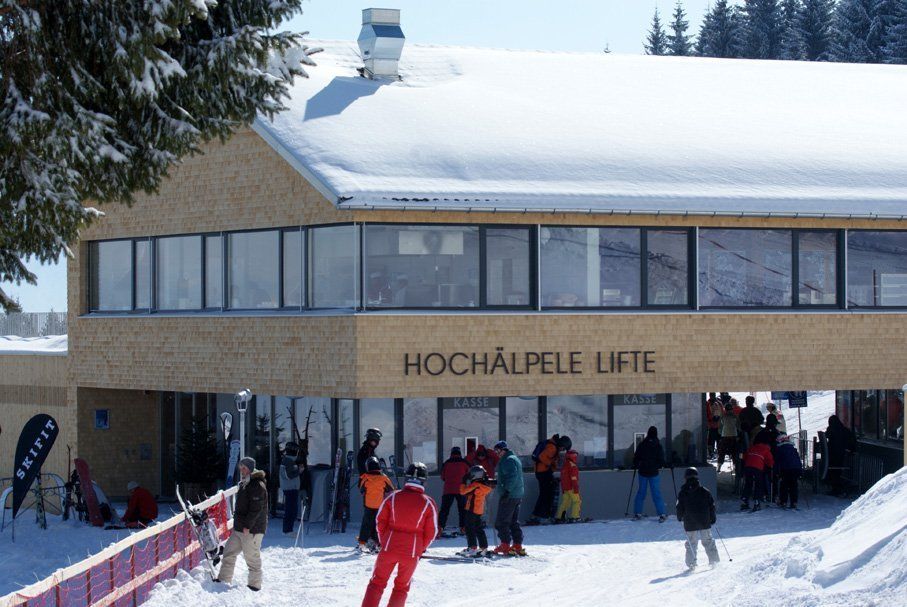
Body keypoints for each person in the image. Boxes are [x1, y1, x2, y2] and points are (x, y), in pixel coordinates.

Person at [361, 462, 437, 607]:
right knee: (401, 588)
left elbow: (380, 521)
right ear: (424, 480)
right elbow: (431, 532)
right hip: (411, 552)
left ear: (406, 477)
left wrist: (384, 541)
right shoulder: (428, 503)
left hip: (389, 547)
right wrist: (420, 549)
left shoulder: (393, 497)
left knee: (377, 583)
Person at [217, 457, 268, 591]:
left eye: (244, 468)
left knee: (252, 558)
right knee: (229, 552)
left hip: (252, 529)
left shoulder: (257, 485)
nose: (241, 470)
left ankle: (254, 585)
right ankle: (223, 580)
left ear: (250, 469)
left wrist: (248, 526)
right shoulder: (244, 483)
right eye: (240, 468)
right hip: (239, 528)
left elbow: (256, 509)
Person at [675, 467, 719, 570]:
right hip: (704, 521)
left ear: (685, 478)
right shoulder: (705, 491)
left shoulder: (683, 493)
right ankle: (714, 561)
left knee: (691, 543)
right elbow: (711, 506)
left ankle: (691, 564)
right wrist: (712, 518)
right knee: (708, 541)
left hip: (690, 522)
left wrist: (680, 516)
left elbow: (679, 507)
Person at [492, 440, 526, 556]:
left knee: (502, 521)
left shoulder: (507, 460)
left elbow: (512, 476)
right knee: (513, 521)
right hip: (517, 494)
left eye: (498, 451)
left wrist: (506, 490)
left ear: (504, 450)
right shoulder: (513, 458)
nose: (497, 453)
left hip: (510, 495)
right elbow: (511, 476)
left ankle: (505, 544)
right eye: (495, 451)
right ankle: (517, 544)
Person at [529, 434, 571, 524]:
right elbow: (542, 457)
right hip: (543, 472)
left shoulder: (553, 446)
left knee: (544, 494)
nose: (562, 450)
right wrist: (551, 464)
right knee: (546, 495)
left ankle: (536, 515)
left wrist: (553, 465)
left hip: (542, 472)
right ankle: (543, 516)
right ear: (561, 444)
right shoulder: (552, 448)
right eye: (563, 448)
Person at [358, 456, 394, 553]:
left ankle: (362, 542)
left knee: (366, 524)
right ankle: (378, 543)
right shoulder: (384, 478)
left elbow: (361, 489)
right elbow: (391, 489)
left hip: (368, 505)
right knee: (379, 524)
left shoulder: (365, 478)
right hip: (380, 506)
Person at [457, 465, 494, 557]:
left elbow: (462, 491)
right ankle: (483, 548)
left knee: (469, 528)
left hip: (472, 509)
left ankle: (472, 547)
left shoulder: (475, 485)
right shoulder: (483, 485)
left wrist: (463, 482)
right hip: (478, 510)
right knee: (478, 528)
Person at [632, 426, 667, 522]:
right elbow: (661, 460)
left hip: (642, 472)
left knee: (641, 493)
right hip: (654, 472)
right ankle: (662, 514)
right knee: (656, 493)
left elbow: (636, 457)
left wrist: (637, 464)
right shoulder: (658, 445)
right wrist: (660, 465)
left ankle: (637, 513)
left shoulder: (642, 444)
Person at [437, 446, 470, 535]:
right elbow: (469, 474)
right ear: (460, 453)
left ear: (451, 453)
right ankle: (463, 527)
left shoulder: (446, 463)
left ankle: (440, 528)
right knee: (462, 510)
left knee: (444, 510)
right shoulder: (464, 463)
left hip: (448, 489)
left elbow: (442, 477)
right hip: (461, 489)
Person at [740, 436, 774, 511]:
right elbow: (770, 461)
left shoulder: (752, 447)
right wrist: (770, 466)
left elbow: (744, 456)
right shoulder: (766, 449)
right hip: (757, 468)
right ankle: (756, 502)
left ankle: (745, 499)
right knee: (758, 484)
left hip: (748, 467)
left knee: (748, 483)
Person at [825, 415, 856, 496]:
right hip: (841, 454)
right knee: (837, 471)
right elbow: (851, 439)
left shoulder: (831, 429)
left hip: (832, 454)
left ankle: (835, 488)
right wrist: (852, 450)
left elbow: (826, 435)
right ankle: (837, 488)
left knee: (832, 471)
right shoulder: (844, 429)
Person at [279, 442, 302, 535]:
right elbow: (288, 476)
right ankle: (287, 530)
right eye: (297, 451)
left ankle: (289, 529)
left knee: (292, 509)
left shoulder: (289, 460)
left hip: (291, 488)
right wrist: (299, 471)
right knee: (290, 510)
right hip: (290, 488)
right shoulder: (288, 461)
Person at [774, 435, 802, 509]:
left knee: (784, 486)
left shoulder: (780, 449)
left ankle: (783, 502)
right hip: (795, 469)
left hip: (786, 469)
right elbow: (798, 460)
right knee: (794, 486)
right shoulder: (793, 449)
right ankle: (794, 503)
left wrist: (776, 472)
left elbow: (777, 462)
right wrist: (800, 471)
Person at [555, 449, 581, 522]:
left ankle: (560, 517)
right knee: (577, 501)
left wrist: (563, 489)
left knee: (565, 502)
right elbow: (574, 478)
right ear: (573, 456)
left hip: (565, 488)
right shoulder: (572, 466)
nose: (576, 457)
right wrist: (576, 488)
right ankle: (575, 517)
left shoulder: (565, 465)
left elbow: (563, 478)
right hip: (572, 487)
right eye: (575, 455)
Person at [716, 403, 740, 475]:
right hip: (734, 437)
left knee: (721, 453)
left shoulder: (723, 416)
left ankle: (719, 467)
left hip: (725, 437)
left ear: (725, 410)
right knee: (735, 453)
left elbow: (719, 428)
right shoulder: (735, 417)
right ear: (732, 409)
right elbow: (738, 427)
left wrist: (721, 433)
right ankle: (735, 468)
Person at [705, 393, 723, 459]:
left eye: (712, 395)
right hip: (712, 426)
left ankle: (718, 454)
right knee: (711, 441)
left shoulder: (718, 403)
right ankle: (712, 453)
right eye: (711, 395)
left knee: (717, 441)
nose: (712, 396)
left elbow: (722, 413)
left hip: (717, 426)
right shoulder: (708, 403)